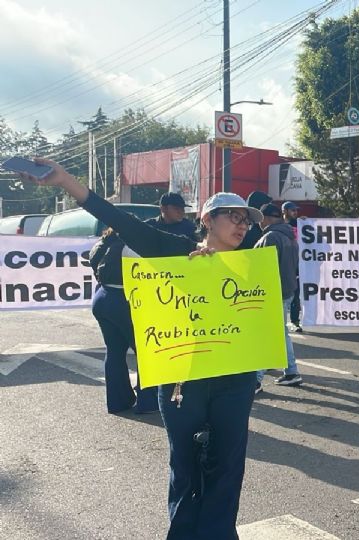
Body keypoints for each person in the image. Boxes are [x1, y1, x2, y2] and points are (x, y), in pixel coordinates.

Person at [17, 158, 264, 540]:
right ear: (207, 219)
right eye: (232, 216)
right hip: (183, 382)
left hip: (235, 382)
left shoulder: (254, 266)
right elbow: (119, 218)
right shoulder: (173, 251)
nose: (241, 225)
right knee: (185, 466)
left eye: (246, 220)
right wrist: (66, 181)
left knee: (228, 468)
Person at [88, 227, 158, 414]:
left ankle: (118, 401)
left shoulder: (101, 245)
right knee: (144, 350)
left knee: (114, 351)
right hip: (123, 299)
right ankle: (148, 402)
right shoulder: (130, 248)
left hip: (101, 297)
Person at [254, 203, 302, 391]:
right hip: (287, 290)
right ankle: (291, 372)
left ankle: (256, 380)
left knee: (267, 336)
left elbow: (262, 266)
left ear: (265, 218)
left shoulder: (271, 237)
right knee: (280, 333)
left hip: (272, 292)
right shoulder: (290, 236)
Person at [281, 201, 303, 333]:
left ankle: (295, 321)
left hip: (299, 265)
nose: (295, 212)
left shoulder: (299, 224)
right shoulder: (280, 226)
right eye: (292, 210)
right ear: (285, 211)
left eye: (296, 210)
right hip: (286, 264)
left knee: (296, 294)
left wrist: (306, 223)